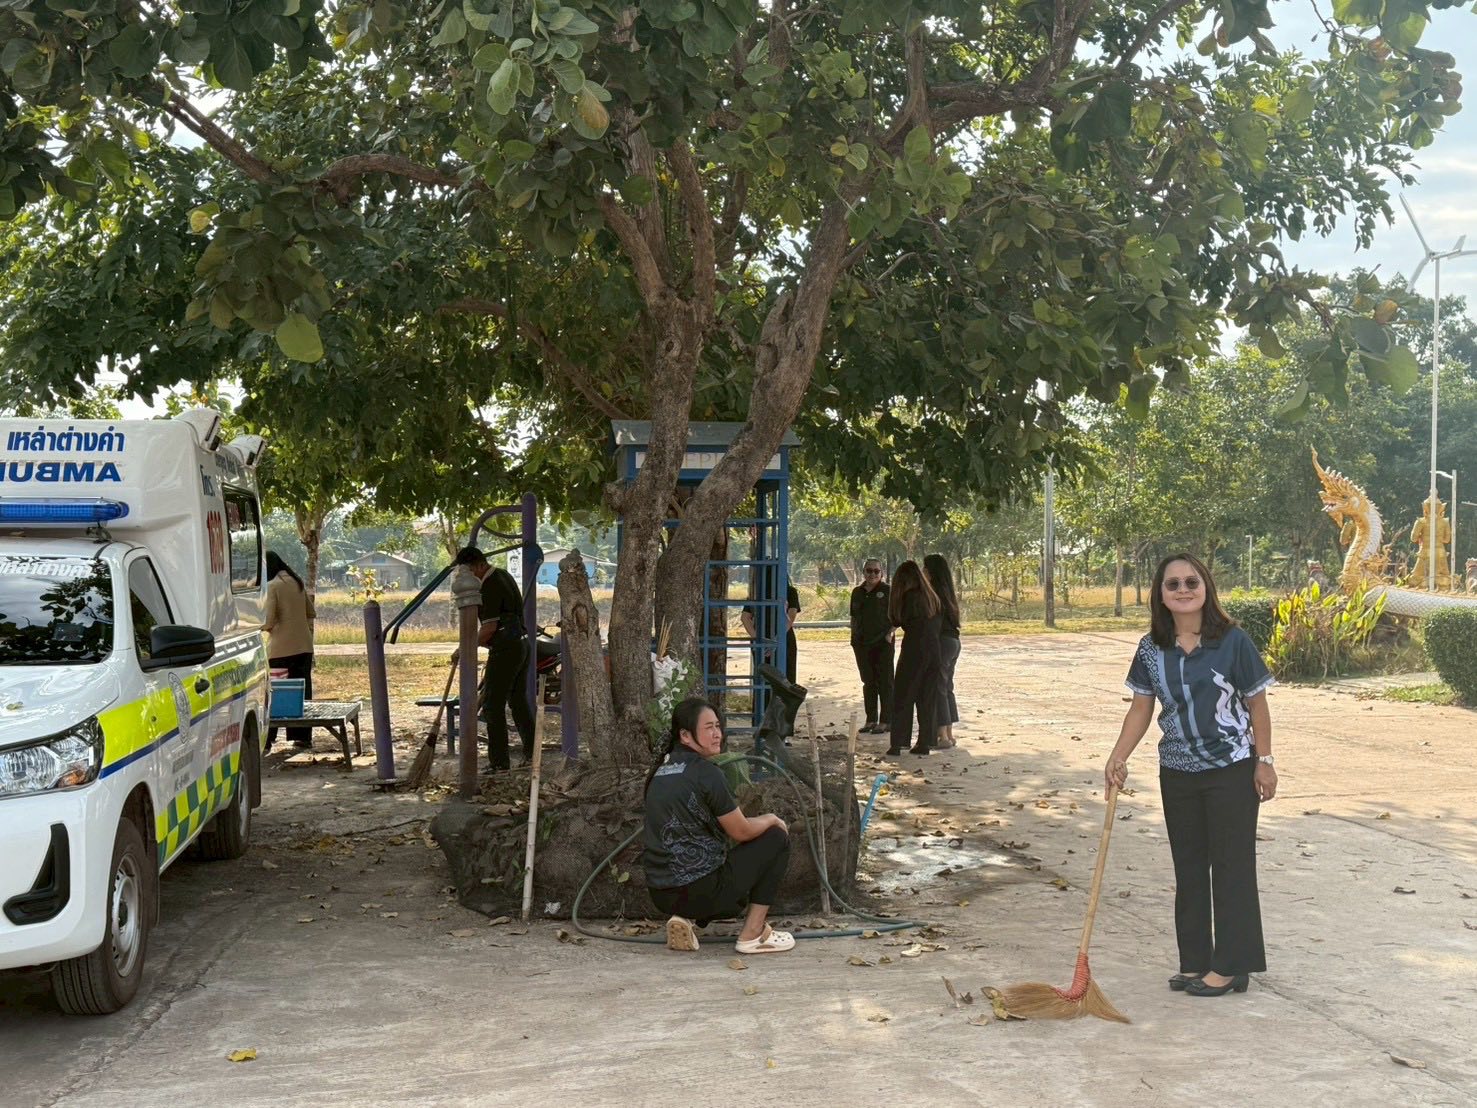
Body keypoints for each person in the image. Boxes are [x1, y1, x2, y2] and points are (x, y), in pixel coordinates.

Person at [1105, 552, 1277, 998]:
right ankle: (1196, 961)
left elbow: (1257, 704)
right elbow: (1141, 707)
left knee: (1232, 866)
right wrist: (1118, 756)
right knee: (1189, 868)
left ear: (1206, 588)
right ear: (1160, 595)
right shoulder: (1151, 648)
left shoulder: (1232, 641)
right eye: (1173, 584)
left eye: (1191, 582)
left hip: (1231, 768)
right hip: (1177, 772)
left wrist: (1265, 760)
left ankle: (1232, 966)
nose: (1183, 590)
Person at [643, 697, 795, 954]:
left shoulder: (658, 773)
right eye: (708, 728)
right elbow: (741, 831)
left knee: (705, 858)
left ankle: (684, 917)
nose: (717, 734)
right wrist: (771, 818)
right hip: (702, 892)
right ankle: (752, 934)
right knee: (776, 837)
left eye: (717, 726)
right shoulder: (706, 773)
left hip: (660, 895)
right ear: (685, 735)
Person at [453, 546, 535, 772]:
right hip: (521, 644)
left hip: (506, 648)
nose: (468, 577)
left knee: (492, 706)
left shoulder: (490, 585)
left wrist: (465, 648)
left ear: (480, 565)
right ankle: (532, 753)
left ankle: (499, 762)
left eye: (469, 571)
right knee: (518, 702)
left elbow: (489, 628)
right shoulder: (503, 575)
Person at [887, 559, 942, 757]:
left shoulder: (909, 597)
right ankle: (924, 742)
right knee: (927, 697)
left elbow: (897, 619)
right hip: (934, 649)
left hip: (914, 648)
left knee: (903, 695)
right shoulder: (931, 597)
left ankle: (898, 743)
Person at [264, 551, 315, 750]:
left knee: (275, 692)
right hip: (304, 646)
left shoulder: (272, 586)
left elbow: (268, 621)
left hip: (280, 649)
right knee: (302, 692)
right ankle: (302, 737)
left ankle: (268, 738)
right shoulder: (298, 583)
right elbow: (311, 612)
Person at [849, 559, 894, 735]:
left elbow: (898, 613)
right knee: (868, 682)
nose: (872, 574)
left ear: (881, 573)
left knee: (885, 682)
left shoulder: (888, 591)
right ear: (864, 572)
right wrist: (853, 637)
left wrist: (890, 632)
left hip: (882, 643)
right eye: (869, 571)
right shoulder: (857, 592)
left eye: (876, 571)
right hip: (861, 644)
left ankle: (886, 720)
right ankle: (871, 720)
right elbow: (854, 616)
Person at [923, 554, 961, 750]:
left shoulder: (933, 594)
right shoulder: (948, 593)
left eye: (925, 568)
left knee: (938, 687)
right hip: (953, 641)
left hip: (942, 642)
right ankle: (949, 733)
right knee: (946, 687)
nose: (922, 572)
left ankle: (942, 736)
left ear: (931, 572)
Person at [741, 578, 801, 685]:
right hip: (784, 639)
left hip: (761, 636)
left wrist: (759, 639)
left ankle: (765, 697)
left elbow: (744, 617)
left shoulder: (757, 592)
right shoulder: (789, 591)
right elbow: (791, 617)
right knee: (785, 679)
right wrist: (777, 640)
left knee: (763, 680)